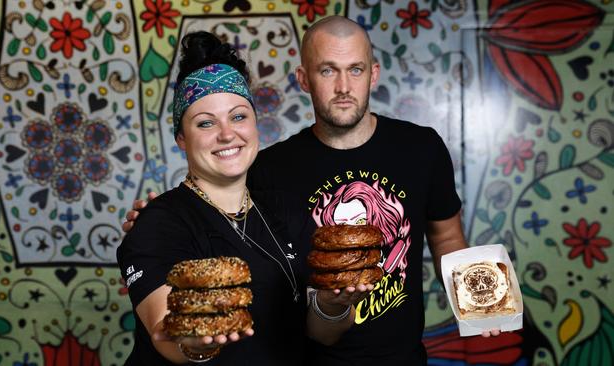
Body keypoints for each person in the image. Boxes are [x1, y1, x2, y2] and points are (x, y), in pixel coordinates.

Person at [123, 17, 500, 366]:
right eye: (327, 71)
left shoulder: (421, 148)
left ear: (373, 74)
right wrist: (153, 221)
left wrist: (483, 304)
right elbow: (206, 203)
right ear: (304, 78)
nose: (343, 87)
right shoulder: (267, 170)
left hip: (398, 355)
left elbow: (448, 236)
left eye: (355, 69)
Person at [117, 31, 372, 365]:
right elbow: (168, 337)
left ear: (255, 124)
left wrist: (334, 304)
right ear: (181, 138)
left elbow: (321, 333)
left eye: (238, 116)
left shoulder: (284, 210)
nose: (227, 134)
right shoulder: (157, 221)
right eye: (205, 123)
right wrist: (195, 341)